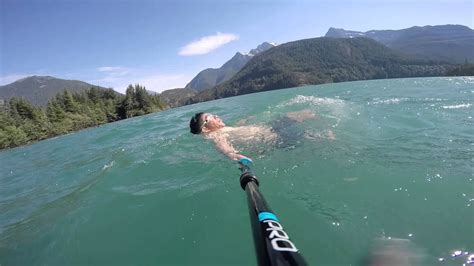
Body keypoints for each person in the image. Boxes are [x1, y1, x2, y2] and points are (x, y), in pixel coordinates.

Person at [189, 110, 331, 162]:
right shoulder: (215, 136)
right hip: (274, 138)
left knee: (308, 112)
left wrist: (243, 121)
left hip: (270, 128)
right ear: (205, 129)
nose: (216, 116)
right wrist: (239, 158)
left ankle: (326, 126)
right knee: (312, 136)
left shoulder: (222, 129)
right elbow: (226, 150)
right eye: (210, 117)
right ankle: (328, 135)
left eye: (213, 113)